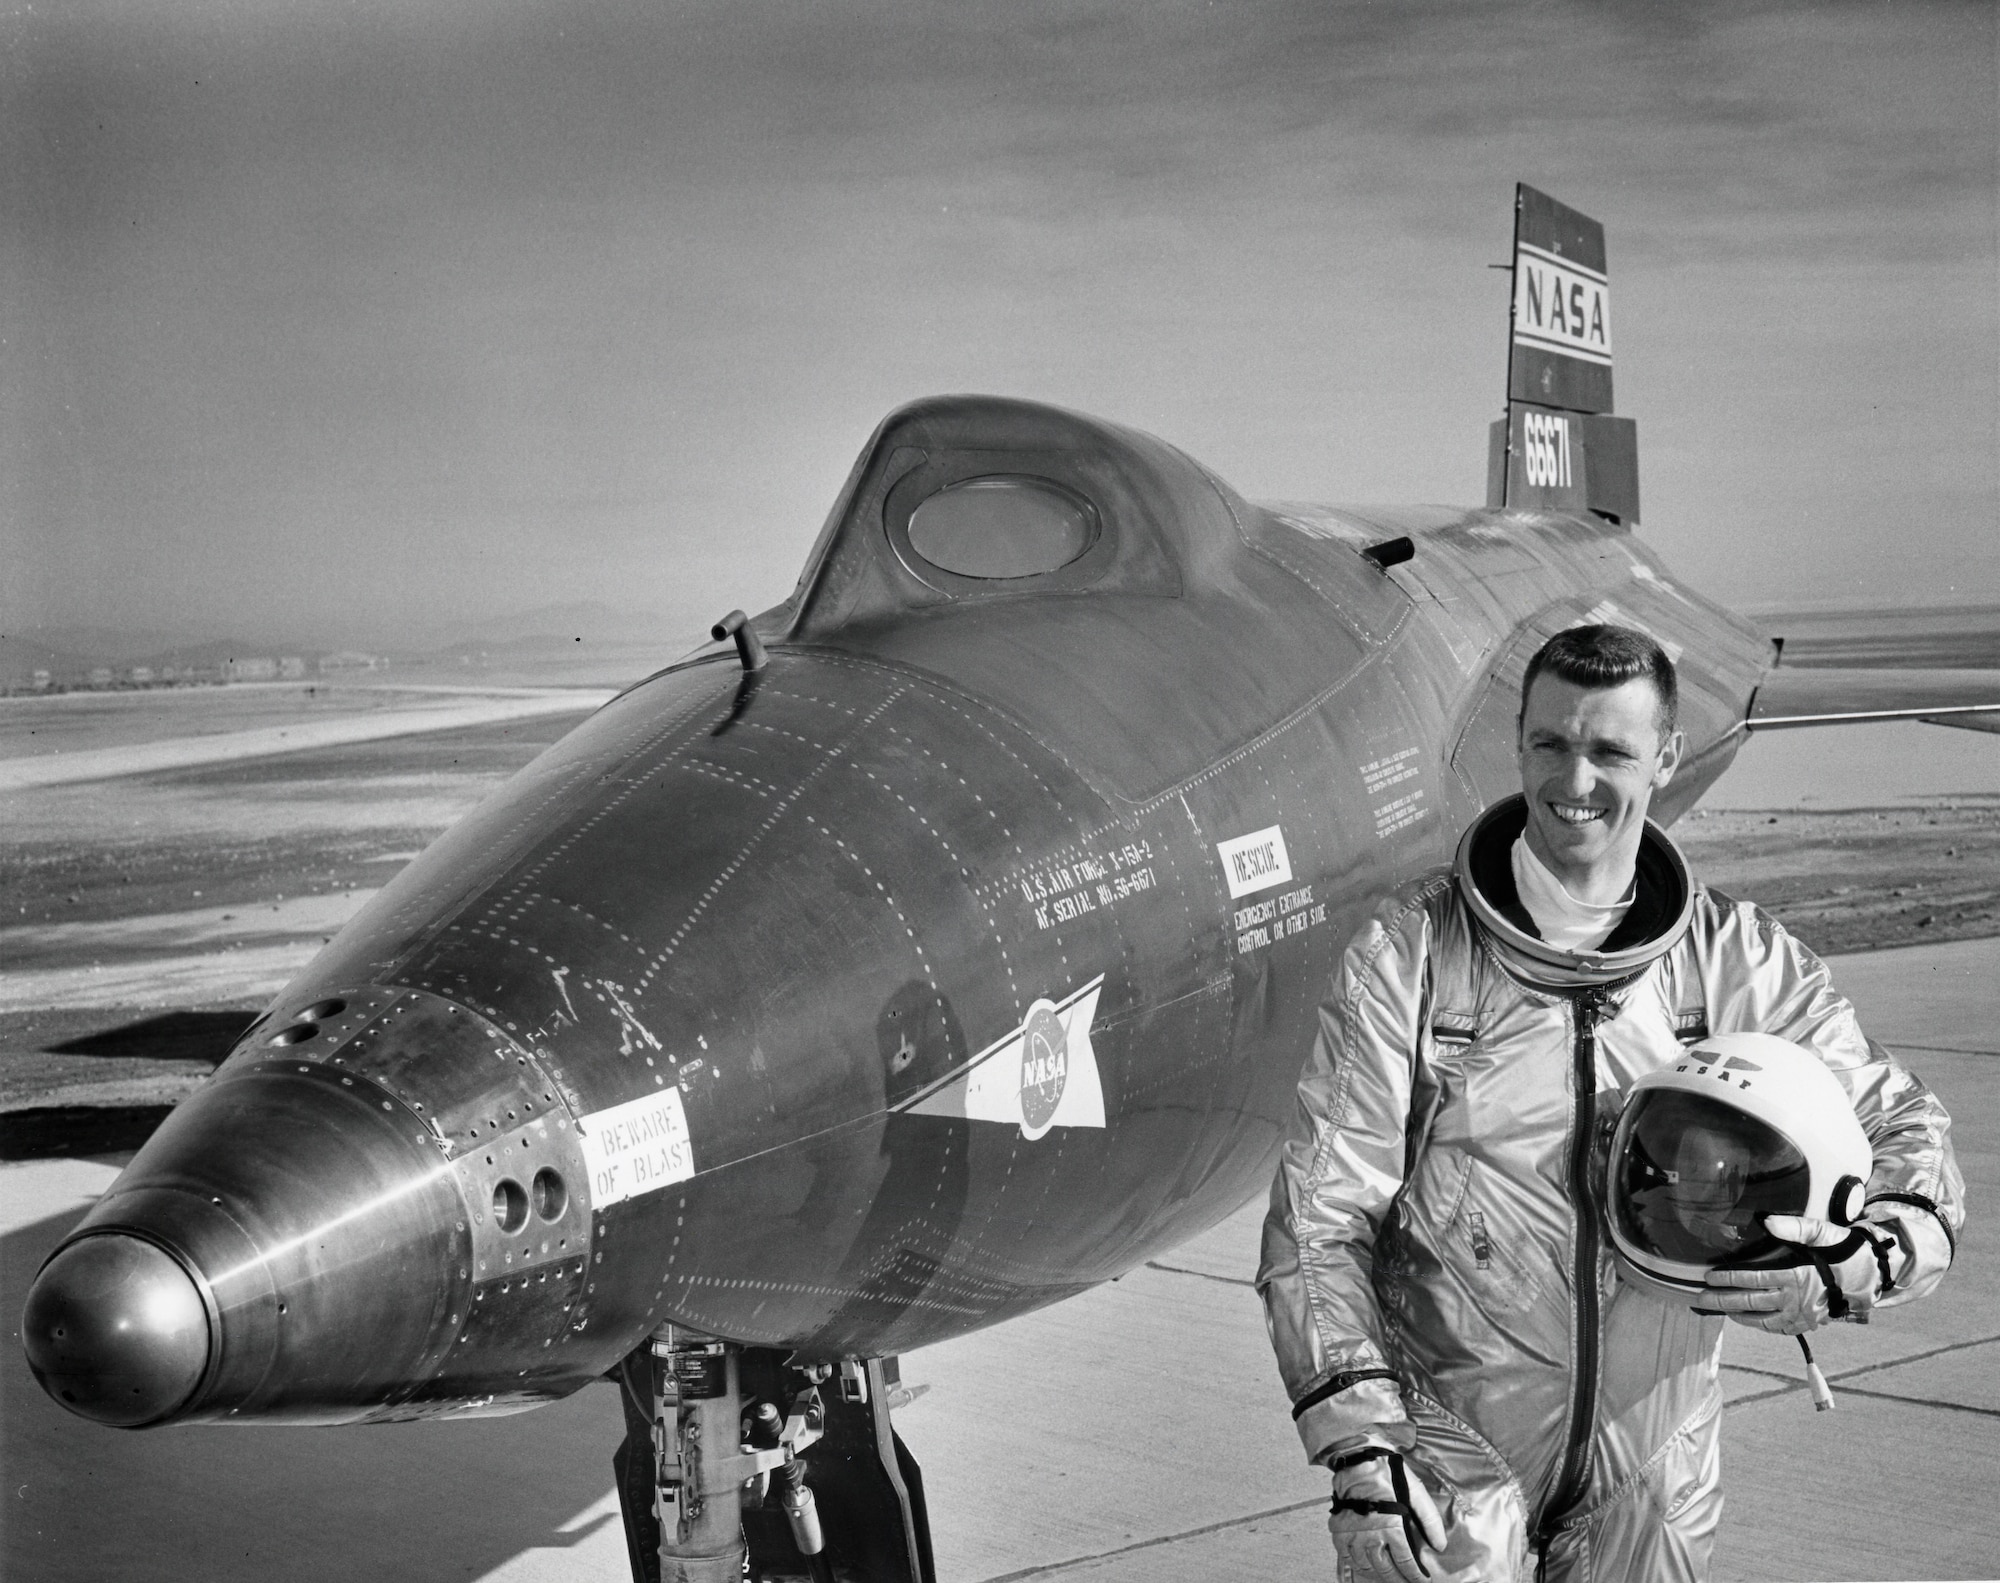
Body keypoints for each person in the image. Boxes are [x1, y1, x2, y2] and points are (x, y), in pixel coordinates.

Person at [1257, 624, 1963, 1582]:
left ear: (1666, 756)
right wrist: (1362, 1443)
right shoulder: (1415, 956)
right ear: (1519, 742)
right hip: (1451, 1460)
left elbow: (1904, 1125)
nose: (1574, 780)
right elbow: (1322, 1213)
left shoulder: (1732, 960)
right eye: (1550, 742)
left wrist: (1863, 1261)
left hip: (1654, 1469)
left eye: (1610, 751)